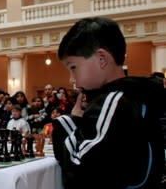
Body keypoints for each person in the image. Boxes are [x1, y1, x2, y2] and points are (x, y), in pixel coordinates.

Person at [52, 17, 165, 189]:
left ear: (101, 59)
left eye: (73, 67)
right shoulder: (136, 94)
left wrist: (73, 118)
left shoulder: (112, 101)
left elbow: (79, 172)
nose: (71, 79)